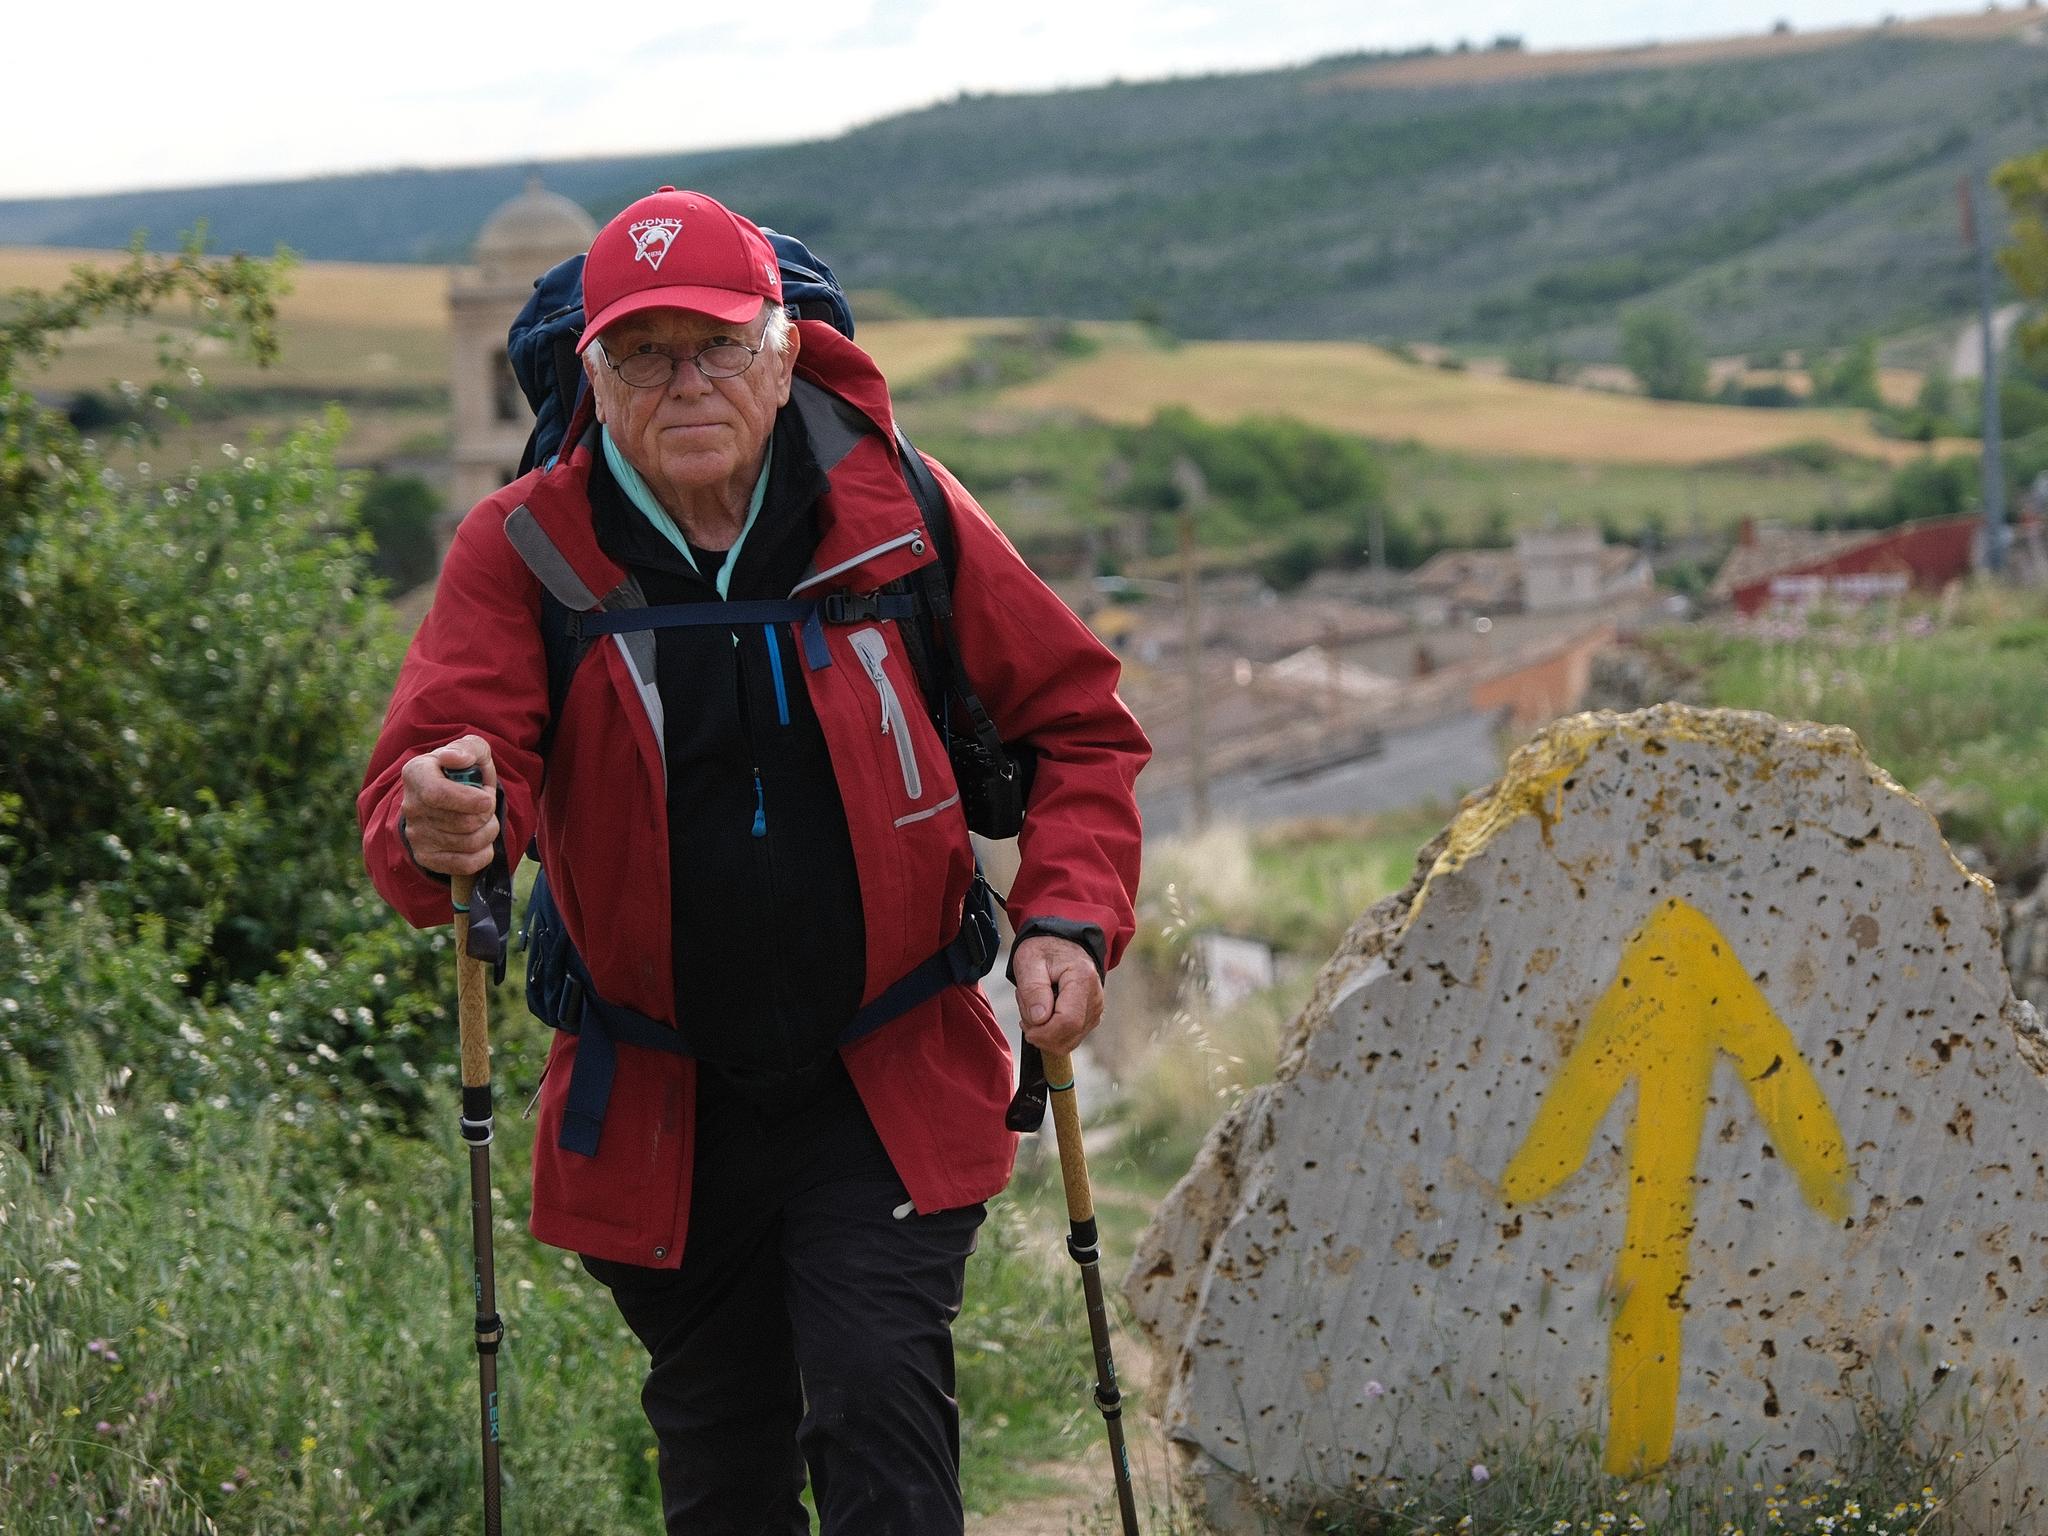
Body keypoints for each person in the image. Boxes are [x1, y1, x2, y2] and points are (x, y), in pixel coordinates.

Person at [358, 187, 1149, 1534]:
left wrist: (1067, 918)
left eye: (719, 345)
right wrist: (442, 823)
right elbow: (443, 770)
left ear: (784, 353)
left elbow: (1078, 725)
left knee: (875, 1405)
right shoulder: (527, 549)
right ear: (588, 375)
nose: (687, 383)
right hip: (660, 1096)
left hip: (887, 1072)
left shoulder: (898, 512)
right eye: (644, 354)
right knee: (723, 1471)